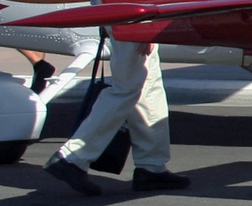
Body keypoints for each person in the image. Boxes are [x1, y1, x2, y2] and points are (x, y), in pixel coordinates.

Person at [43, 38, 190, 196]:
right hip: (136, 21)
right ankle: (72, 157)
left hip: (137, 22)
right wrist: (146, 32)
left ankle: (152, 166)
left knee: (147, 86)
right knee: (127, 88)